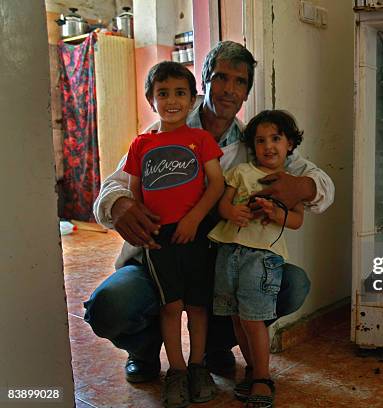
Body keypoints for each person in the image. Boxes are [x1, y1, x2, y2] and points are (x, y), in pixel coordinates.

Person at [84, 41, 335, 384]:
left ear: (247, 92)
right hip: (157, 257)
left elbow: (322, 183)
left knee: (290, 283)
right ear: (204, 81)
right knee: (109, 306)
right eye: (221, 77)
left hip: (216, 263)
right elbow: (111, 189)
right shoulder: (162, 130)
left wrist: (303, 188)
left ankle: (217, 345)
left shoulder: (253, 145)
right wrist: (120, 204)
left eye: (240, 81)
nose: (229, 89)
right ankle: (143, 351)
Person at [123, 61, 224, 406]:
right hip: (159, 238)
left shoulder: (201, 139)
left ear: (193, 99)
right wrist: (143, 229)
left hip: (195, 233)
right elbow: (134, 192)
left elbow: (218, 184)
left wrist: (195, 218)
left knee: (197, 305)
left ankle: (198, 366)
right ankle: (176, 371)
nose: (172, 100)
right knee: (171, 306)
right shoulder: (140, 144)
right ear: (151, 100)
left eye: (180, 93)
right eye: (162, 93)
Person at [209, 110, 304, 407]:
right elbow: (223, 204)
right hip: (229, 252)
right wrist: (232, 211)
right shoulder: (240, 172)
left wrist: (276, 213)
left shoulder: (290, 181)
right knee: (238, 318)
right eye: (260, 140)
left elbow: (298, 220)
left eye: (276, 138)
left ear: (289, 143)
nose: (268, 146)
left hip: (261, 259)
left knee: (254, 321)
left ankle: (263, 376)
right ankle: (251, 370)